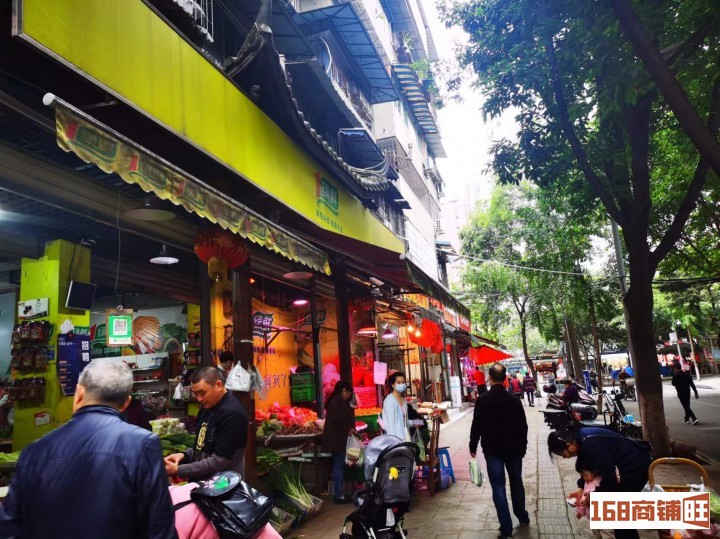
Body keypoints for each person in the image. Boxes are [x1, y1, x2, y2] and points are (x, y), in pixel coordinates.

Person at [0, 361, 176, 539]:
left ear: (78, 394)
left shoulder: (34, 451)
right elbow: (160, 529)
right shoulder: (143, 445)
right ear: (126, 403)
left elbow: (9, 529)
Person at [548, 427, 652, 539]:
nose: (564, 457)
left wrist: (594, 495)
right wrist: (580, 488)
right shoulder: (580, 440)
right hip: (622, 467)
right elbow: (588, 467)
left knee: (619, 514)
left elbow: (611, 477)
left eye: (563, 455)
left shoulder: (589, 444)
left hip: (635, 466)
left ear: (569, 446)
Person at [469, 363, 529, 538]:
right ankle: (522, 516)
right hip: (514, 450)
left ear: (489, 378)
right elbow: (523, 426)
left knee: (498, 487)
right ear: (505, 379)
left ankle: (506, 528)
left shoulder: (482, 400)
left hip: (493, 450)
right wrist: (523, 447)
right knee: (516, 483)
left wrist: (473, 445)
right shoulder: (514, 400)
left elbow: (476, 424)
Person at [165, 366, 249, 480]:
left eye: (202, 393)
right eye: (195, 394)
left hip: (222, 486)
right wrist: (184, 455)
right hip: (203, 485)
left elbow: (220, 461)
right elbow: (201, 447)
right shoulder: (206, 408)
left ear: (218, 385)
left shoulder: (233, 413)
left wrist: (179, 470)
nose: (199, 399)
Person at [322, 381, 356, 504]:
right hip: (337, 440)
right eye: (348, 393)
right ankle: (338, 495)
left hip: (337, 440)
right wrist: (348, 429)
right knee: (339, 466)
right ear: (343, 391)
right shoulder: (337, 401)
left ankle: (339, 494)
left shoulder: (337, 400)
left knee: (338, 466)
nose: (348, 396)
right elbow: (339, 419)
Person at [382, 372, 409, 440]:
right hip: (395, 439)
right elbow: (391, 424)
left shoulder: (404, 401)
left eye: (403, 382)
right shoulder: (389, 401)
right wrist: (394, 441)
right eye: (399, 383)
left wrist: (418, 422)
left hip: (404, 437)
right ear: (393, 385)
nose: (401, 384)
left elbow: (404, 421)